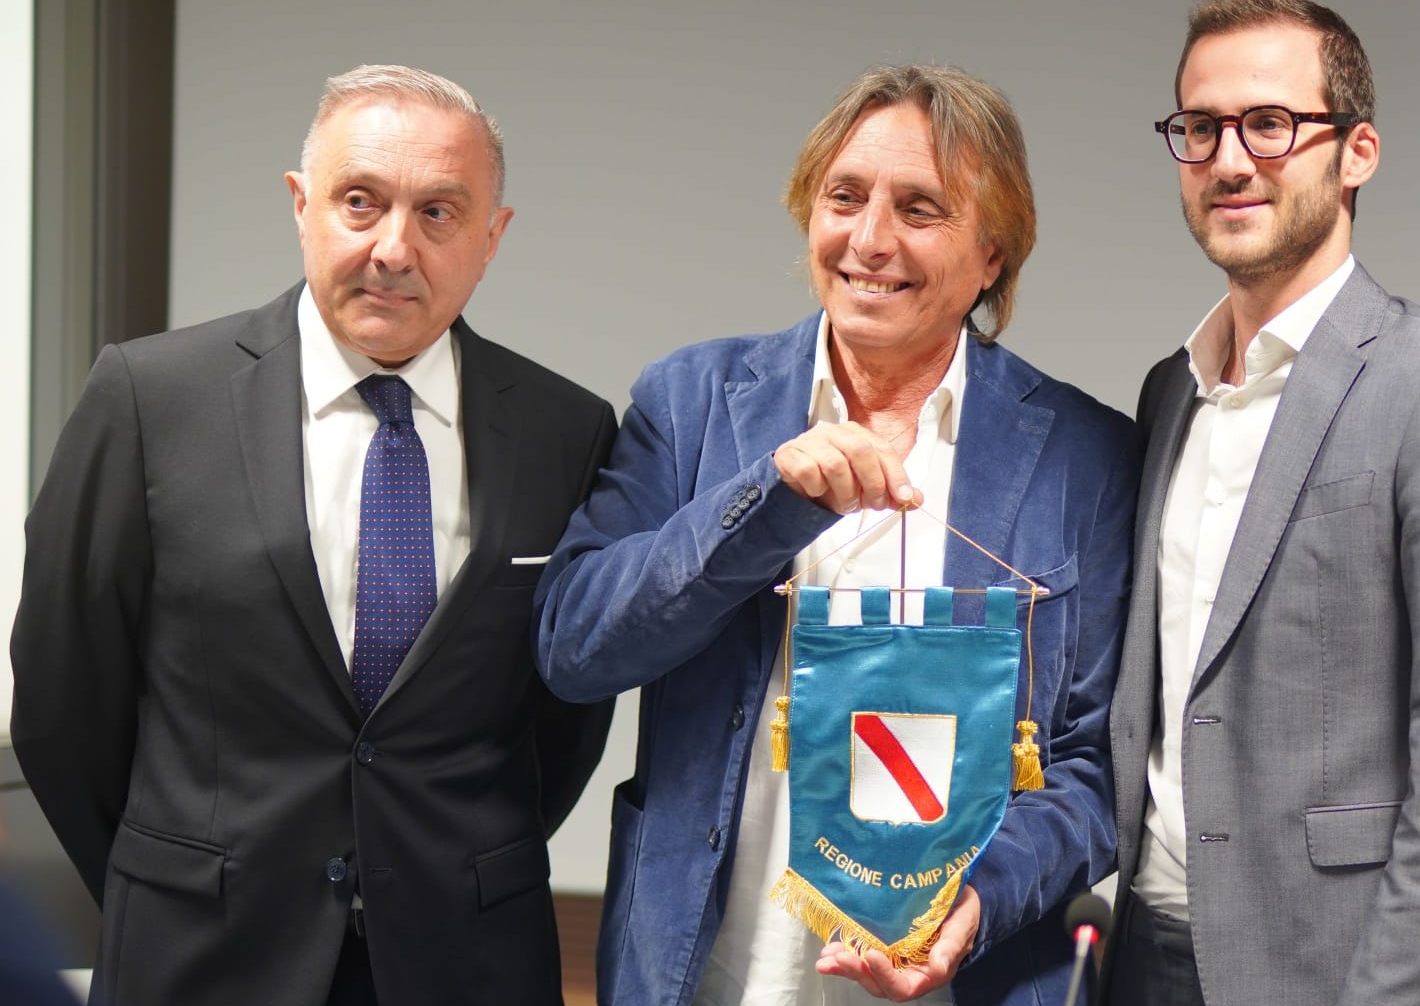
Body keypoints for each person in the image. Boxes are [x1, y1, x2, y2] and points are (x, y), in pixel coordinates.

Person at [9, 65, 618, 1006]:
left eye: (439, 213)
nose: (393, 248)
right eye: (360, 201)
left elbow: (566, 715)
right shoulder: (149, 399)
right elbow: (63, 700)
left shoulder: (565, 431)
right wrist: (173, 876)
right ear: (302, 205)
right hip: (201, 956)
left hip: (466, 959)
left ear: (492, 237)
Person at [533, 64, 1138, 1006]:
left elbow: (1097, 763)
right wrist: (763, 505)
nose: (869, 239)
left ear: (992, 254)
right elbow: (574, 646)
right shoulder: (690, 403)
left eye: (920, 208)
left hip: (966, 981)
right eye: (844, 197)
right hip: (711, 977)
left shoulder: (1085, 455)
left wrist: (978, 902)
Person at [1104, 0, 1420, 1006]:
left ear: (1357, 153)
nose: (1228, 159)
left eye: (1269, 123)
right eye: (1201, 127)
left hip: (1333, 966)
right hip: (1143, 951)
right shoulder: (1169, 391)